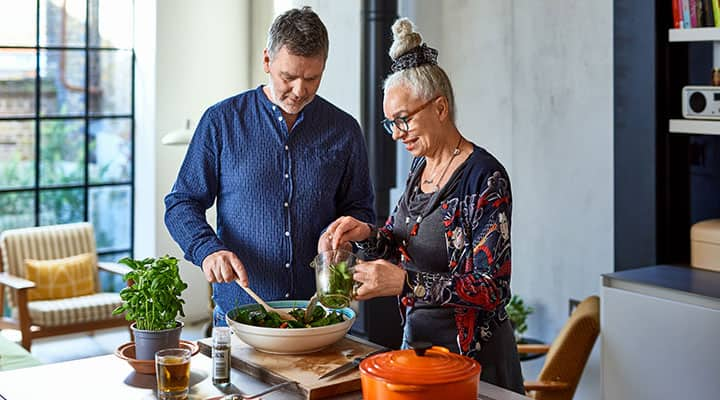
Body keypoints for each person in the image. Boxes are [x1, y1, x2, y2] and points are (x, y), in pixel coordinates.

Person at [319, 18, 524, 393]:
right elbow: (401, 240)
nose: (397, 133)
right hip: (418, 350)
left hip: (473, 363)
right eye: (390, 123)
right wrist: (366, 235)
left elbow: (492, 288)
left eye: (403, 119)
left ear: (441, 108)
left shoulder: (485, 178)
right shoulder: (420, 168)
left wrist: (405, 282)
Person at [165, 7, 375, 326]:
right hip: (240, 317)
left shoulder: (344, 130)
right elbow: (181, 203)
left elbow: (361, 210)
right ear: (267, 61)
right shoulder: (221, 122)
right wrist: (207, 249)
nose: (300, 90)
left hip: (319, 317)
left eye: (312, 78)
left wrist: (351, 232)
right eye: (288, 77)